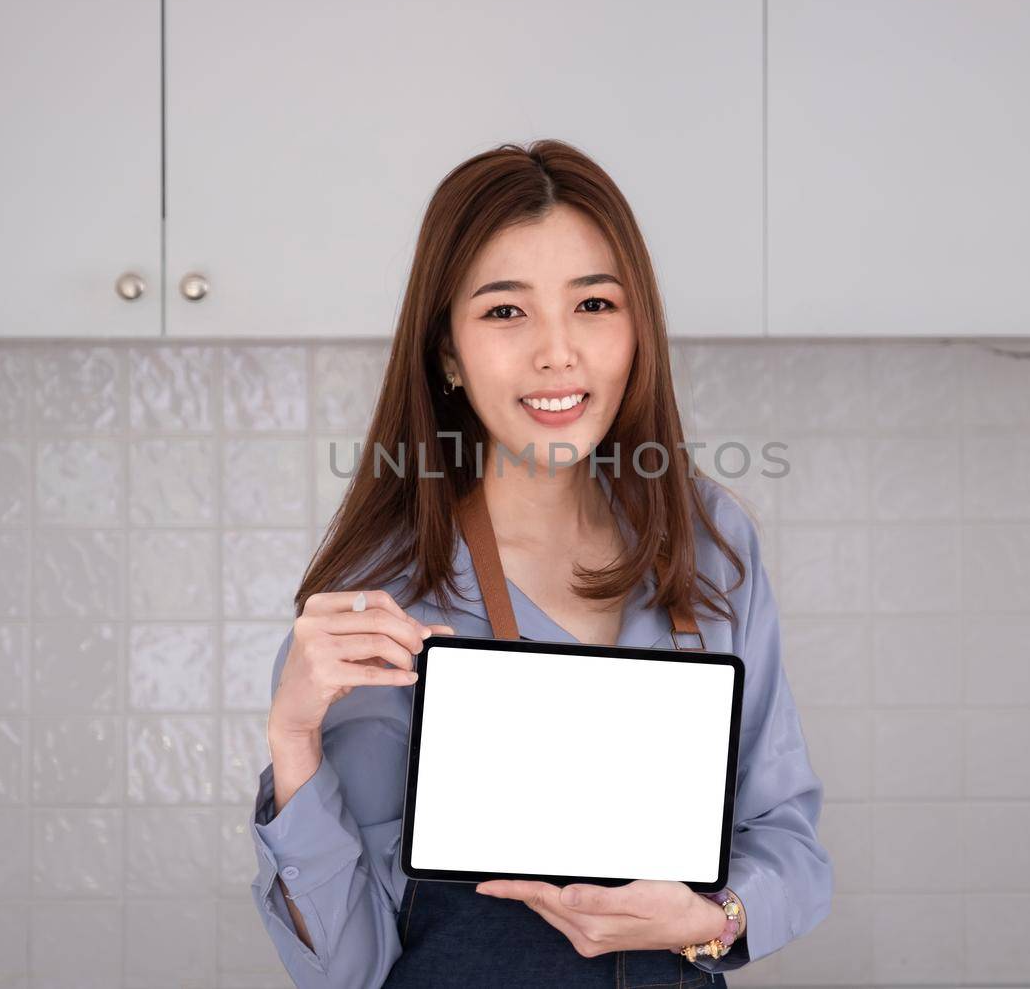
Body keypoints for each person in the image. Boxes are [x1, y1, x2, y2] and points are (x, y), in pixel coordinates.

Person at [248, 140, 832, 987]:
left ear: (637, 329)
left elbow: (789, 842)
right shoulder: (386, 597)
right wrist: (293, 736)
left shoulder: (711, 544)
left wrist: (711, 917)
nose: (558, 352)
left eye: (594, 303)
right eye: (505, 311)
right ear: (447, 352)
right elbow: (349, 966)